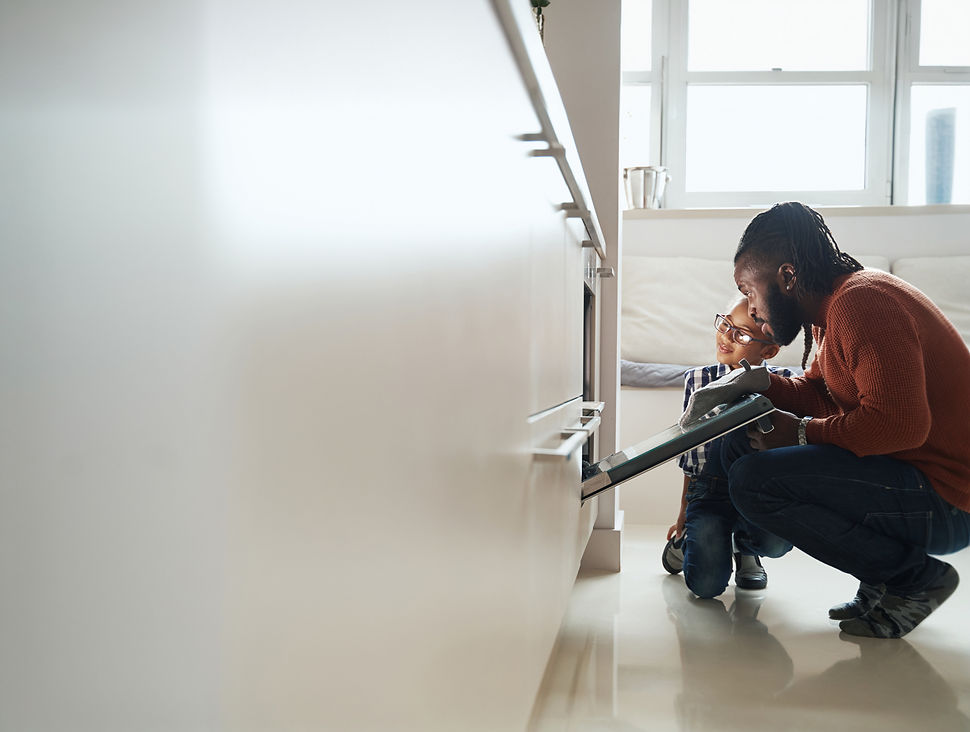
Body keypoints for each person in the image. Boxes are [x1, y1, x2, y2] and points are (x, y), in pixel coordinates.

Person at [725, 201, 970, 638]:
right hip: (917, 480)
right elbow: (822, 395)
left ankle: (912, 579)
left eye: (749, 290)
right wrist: (761, 383)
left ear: (786, 277)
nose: (752, 308)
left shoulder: (862, 303)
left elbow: (900, 425)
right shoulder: (830, 311)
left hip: (951, 500)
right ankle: (884, 578)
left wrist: (799, 434)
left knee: (754, 480)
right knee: (739, 446)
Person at [662, 297, 794, 598]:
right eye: (725, 325)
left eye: (742, 335)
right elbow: (690, 451)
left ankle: (745, 548)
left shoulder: (786, 383)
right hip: (709, 489)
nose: (726, 338)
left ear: (769, 351)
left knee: (778, 542)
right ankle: (691, 543)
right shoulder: (698, 379)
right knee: (706, 587)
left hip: (758, 490)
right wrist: (683, 513)